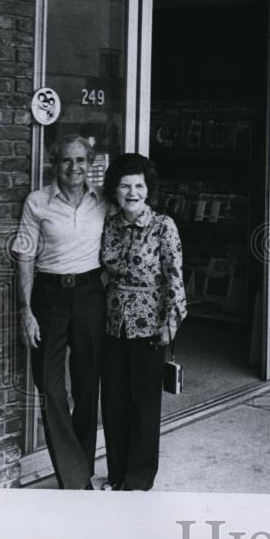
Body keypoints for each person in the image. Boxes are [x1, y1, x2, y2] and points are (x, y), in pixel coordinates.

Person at [13, 134, 107, 490]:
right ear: (55, 164)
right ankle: (74, 474)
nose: (74, 168)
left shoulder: (104, 201)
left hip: (89, 296)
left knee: (86, 387)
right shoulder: (37, 202)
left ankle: (78, 472)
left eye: (81, 160)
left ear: (90, 163)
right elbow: (24, 255)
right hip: (49, 298)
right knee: (50, 388)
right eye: (67, 161)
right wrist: (26, 310)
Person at [99, 153, 187, 491]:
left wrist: (172, 320)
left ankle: (138, 478)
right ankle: (117, 474)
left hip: (150, 324)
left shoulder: (163, 226)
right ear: (115, 191)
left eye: (139, 185)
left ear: (148, 190)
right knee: (115, 401)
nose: (132, 192)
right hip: (112, 323)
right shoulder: (110, 225)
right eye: (125, 186)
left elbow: (175, 277)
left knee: (144, 405)